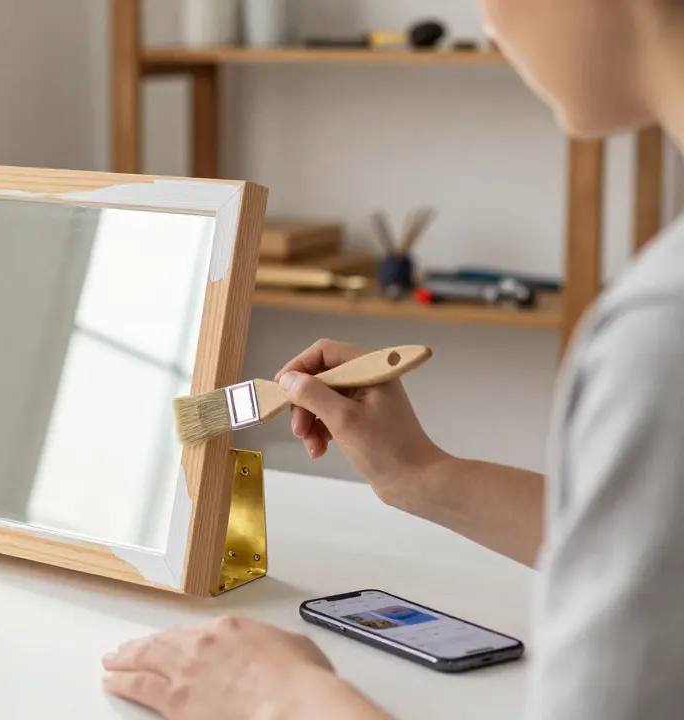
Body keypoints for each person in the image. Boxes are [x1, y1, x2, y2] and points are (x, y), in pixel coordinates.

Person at [102, 0, 684, 718]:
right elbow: (654, 551)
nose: (491, 24)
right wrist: (420, 475)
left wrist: (279, 699)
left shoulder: (660, 334)